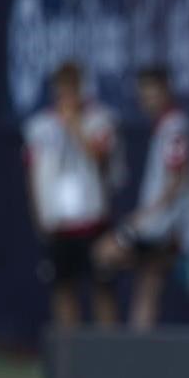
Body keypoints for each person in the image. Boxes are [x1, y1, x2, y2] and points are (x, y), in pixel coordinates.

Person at [92, 66, 189, 331]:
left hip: (160, 227)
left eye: (153, 93)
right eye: (144, 93)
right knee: (147, 288)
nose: (148, 99)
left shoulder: (175, 127)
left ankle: (111, 342)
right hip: (158, 225)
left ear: (166, 90)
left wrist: (144, 218)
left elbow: (177, 182)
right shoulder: (166, 126)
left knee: (103, 255)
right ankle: (133, 351)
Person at [23, 61, 124, 330]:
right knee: (62, 289)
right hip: (58, 224)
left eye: (72, 86)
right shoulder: (39, 126)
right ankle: (68, 360)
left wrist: (75, 124)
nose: (66, 93)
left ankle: (108, 356)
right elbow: (32, 174)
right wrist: (38, 216)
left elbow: (100, 157)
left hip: (93, 221)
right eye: (62, 87)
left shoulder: (101, 119)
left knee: (102, 290)